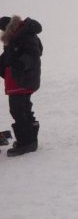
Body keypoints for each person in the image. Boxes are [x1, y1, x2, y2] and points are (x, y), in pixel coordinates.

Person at [0, 15, 43, 156]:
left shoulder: (25, 35)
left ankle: (27, 142)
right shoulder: (14, 39)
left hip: (23, 79)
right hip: (17, 80)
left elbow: (33, 53)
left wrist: (22, 64)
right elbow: (7, 58)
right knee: (22, 109)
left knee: (18, 110)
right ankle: (30, 138)